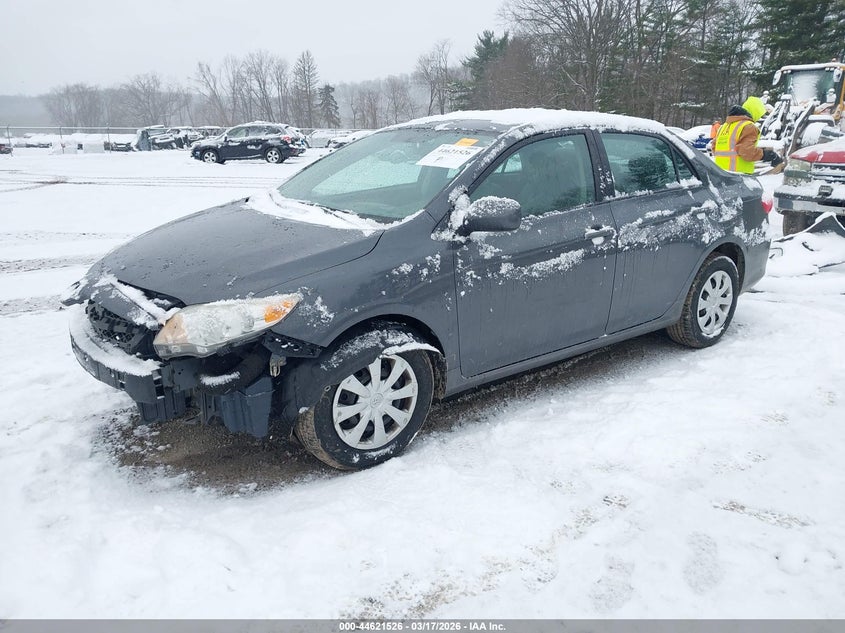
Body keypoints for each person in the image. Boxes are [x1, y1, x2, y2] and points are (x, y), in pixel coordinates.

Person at [713, 96, 782, 173]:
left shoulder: (724, 127)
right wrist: (766, 155)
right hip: (739, 174)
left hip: (719, 173)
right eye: (759, 115)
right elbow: (746, 152)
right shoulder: (748, 126)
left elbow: (714, 148)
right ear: (755, 112)